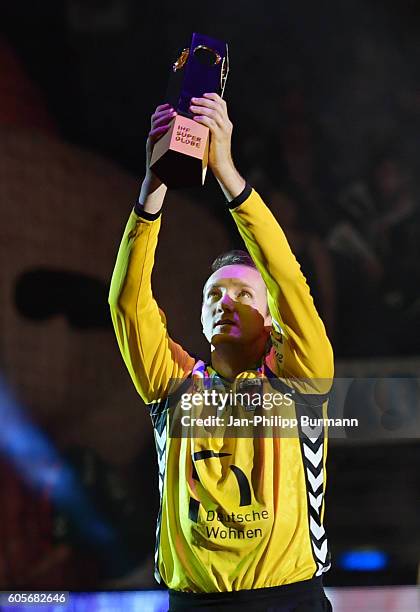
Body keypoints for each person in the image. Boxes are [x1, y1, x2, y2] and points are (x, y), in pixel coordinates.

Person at [109, 94, 334, 611]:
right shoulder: (173, 386)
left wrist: (228, 173)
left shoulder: (300, 380)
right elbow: (127, 304)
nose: (225, 301)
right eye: (214, 293)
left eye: (242, 293)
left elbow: (288, 281)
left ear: (273, 317)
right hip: (192, 603)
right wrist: (154, 186)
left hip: (288, 601)